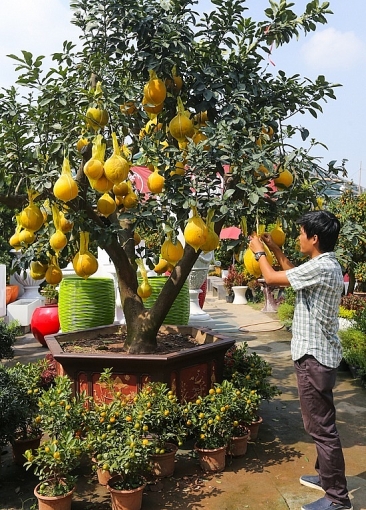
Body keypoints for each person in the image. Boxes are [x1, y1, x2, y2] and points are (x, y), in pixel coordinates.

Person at [249, 210, 352, 510]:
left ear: (315, 238)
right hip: (322, 356)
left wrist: (259, 254)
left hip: (313, 358)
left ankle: (337, 499)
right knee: (324, 422)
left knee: (321, 428)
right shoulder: (325, 264)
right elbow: (293, 273)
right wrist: (276, 249)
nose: (297, 237)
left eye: (301, 233)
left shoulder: (321, 267)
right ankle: (326, 475)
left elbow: (271, 277)